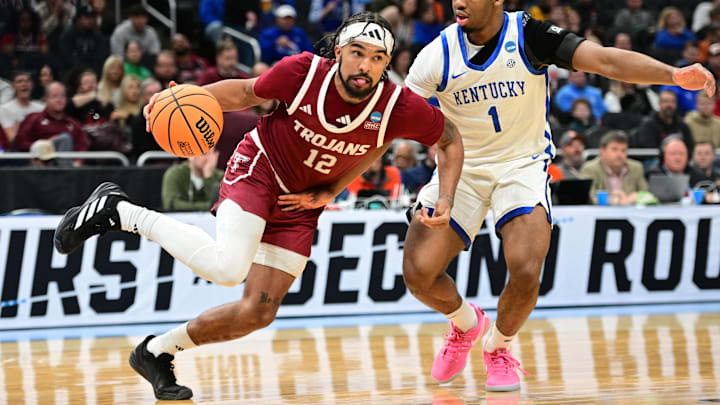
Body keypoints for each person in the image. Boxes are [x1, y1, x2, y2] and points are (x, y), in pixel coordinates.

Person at [53, 12, 463, 400]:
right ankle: (120, 212)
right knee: (228, 268)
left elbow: (447, 139)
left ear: (387, 63)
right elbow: (246, 92)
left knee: (257, 312)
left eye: (377, 59)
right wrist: (178, 97)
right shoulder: (303, 73)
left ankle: (156, 352)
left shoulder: (396, 105)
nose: (365, 66)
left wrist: (437, 196)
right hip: (260, 169)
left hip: (300, 205)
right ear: (338, 51)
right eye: (357, 53)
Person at [401, 1, 714, 393]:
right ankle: (466, 324)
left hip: (522, 164)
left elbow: (605, 61)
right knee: (418, 273)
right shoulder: (436, 55)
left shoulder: (530, 35)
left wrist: (671, 74)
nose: (459, 2)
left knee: (527, 267)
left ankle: (499, 346)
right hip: (461, 167)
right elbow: (393, 116)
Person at [581, 131, 648, 205]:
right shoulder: (590, 169)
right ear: (602, 151)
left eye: (623, 150)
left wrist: (636, 197)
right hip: (602, 214)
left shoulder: (636, 167)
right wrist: (615, 201)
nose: (619, 154)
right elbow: (588, 198)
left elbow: (647, 195)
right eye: (614, 149)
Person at [0, 71, 44, 145]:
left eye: (27, 81)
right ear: (13, 86)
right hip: (17, 154)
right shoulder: (4, 109)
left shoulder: (42, 108)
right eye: (19, 81)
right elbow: (12, 139)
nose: (24, 84)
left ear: (32, 85)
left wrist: (19, 126)